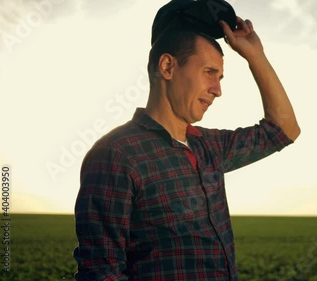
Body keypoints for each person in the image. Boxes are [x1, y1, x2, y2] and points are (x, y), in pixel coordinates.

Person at [73, 0, 300, 280]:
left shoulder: (209, 147)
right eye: (209, 73)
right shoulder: (116, 154)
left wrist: (256, 56)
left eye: (220, 77)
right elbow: (101, 272)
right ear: (167, 67)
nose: (217, 90)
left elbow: (284, 130)